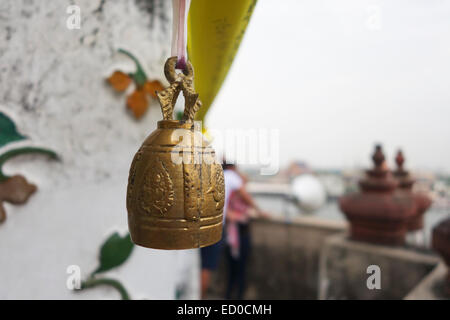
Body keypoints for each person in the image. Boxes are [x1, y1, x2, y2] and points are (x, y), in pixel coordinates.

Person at [223, 165, 269, 300]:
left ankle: (236, 296)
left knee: (240, 270)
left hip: (240, 238)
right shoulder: (234, 199)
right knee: (233, 270)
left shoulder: (237, 200)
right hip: (234, 239)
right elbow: (232, 215)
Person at [200, 161, 244, 299]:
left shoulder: (208, 175)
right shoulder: (230, 175)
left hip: (199, 226)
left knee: (199, 266)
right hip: (214, 228)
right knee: (206, 267)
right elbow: (244, 190)